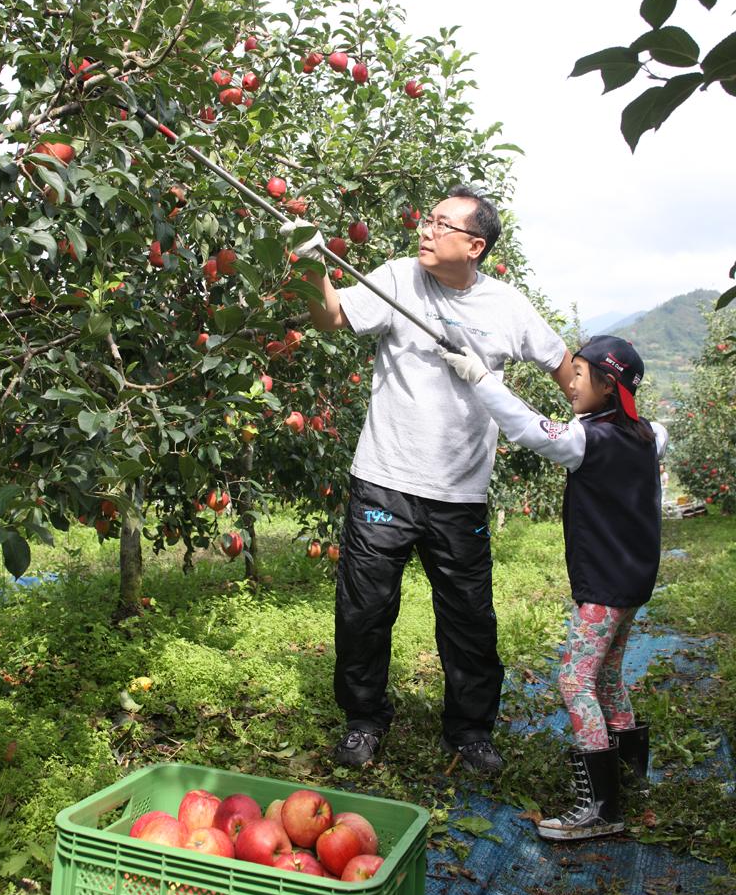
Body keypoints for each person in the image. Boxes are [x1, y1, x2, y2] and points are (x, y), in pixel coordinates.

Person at [281, 186, 572, 774]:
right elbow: (332, 317)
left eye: (442, 224)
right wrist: (313, 265)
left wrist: (587, 432)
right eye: (427, 219)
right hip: (384, 480)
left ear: (475, 245)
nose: (426, 229)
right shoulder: (398, 277)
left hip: (461, 494)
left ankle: (469, 731)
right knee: (363, 612)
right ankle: (364, 720)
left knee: (469, 619)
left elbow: (565, 366)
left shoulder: (508, 308)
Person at [440, 334, 667, 840]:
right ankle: (632, 780)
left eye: (580, 374)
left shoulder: (590, 440)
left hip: (604, 586)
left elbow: (529, 429)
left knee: (574, 679)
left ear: (609, 386)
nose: (571, 381)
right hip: (631, 584)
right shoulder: (649, 435)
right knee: (606, 676)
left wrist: (481, 377)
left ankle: (601, 808)